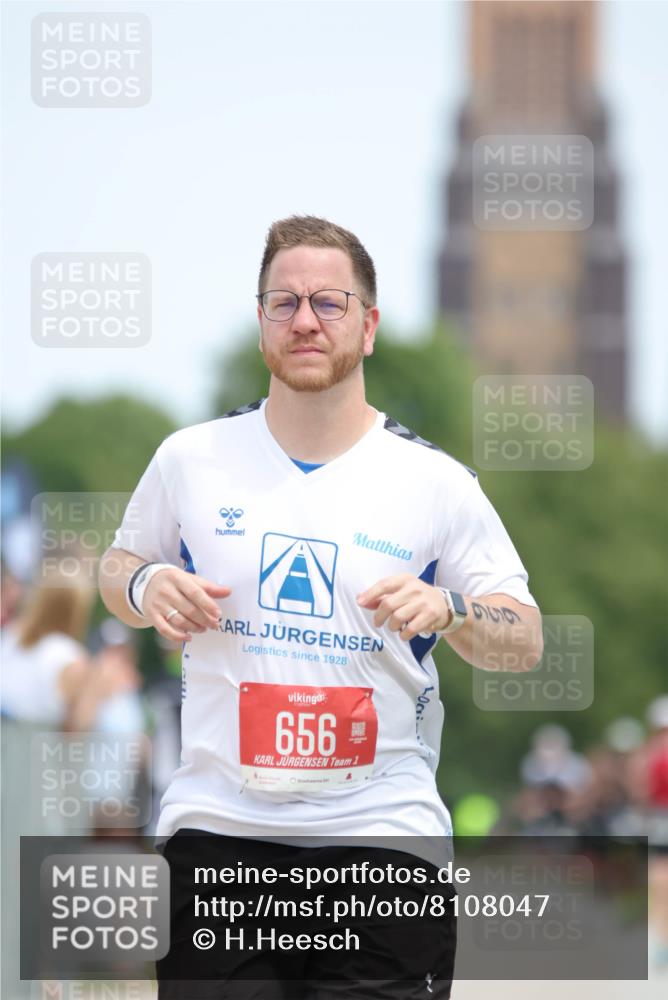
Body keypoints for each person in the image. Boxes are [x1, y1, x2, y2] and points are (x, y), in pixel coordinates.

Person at [99, 215, 543, 999]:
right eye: (284, 302)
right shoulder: (191, 459)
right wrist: (141, 587)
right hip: (221, 832)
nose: (305, 319)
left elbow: (527, 638)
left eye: (330, 303)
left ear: (368, 327)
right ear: (262, 321)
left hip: (382, 840)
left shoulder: (435, 484)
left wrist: (451, 608)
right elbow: (118, 565)